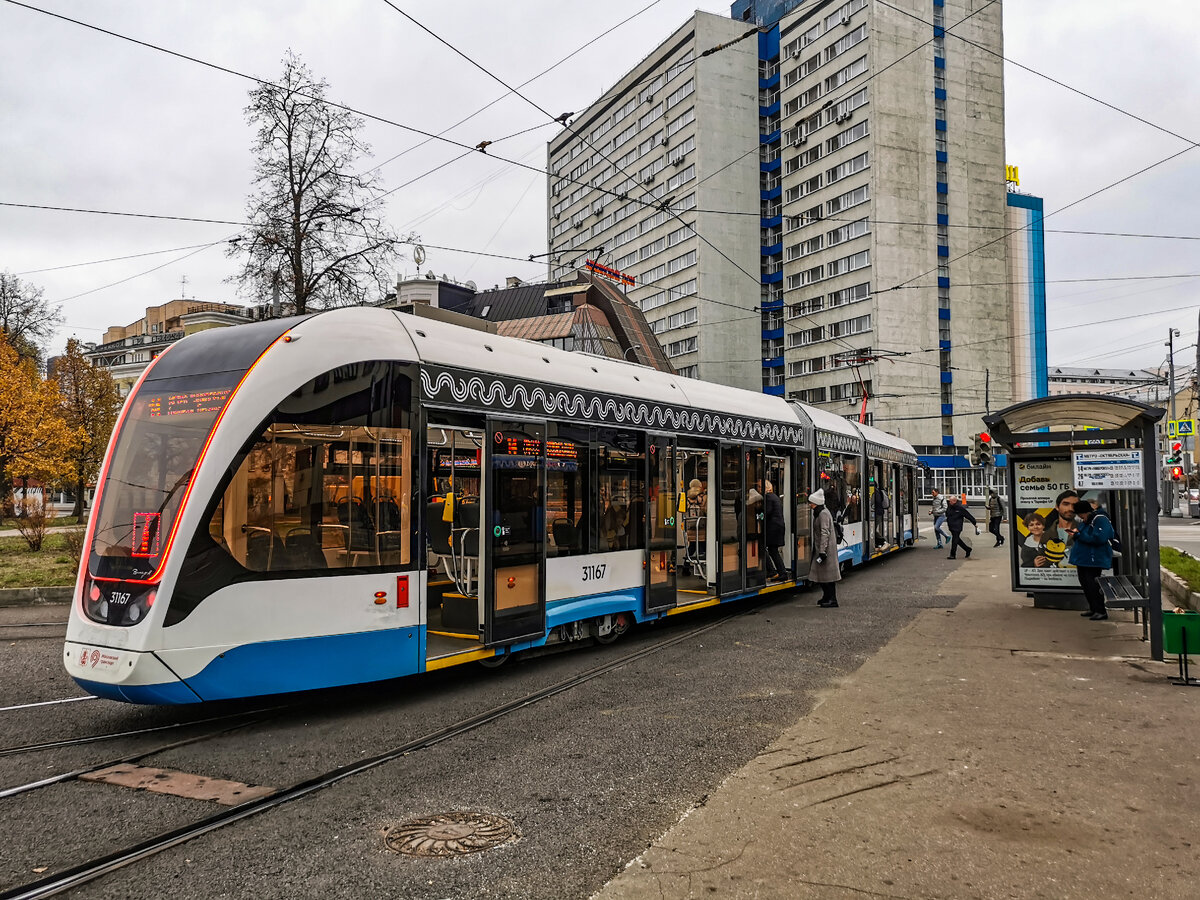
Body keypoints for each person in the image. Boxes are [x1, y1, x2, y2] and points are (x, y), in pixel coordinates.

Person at [1067, 499, 1114, 620]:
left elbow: (1099, 538)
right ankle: (1093, 608)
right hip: (1083, 559)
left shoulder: (1100, 519)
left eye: (1079, 514)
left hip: (1093, 559)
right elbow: (1085, 535)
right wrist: (1076, 534)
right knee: (1085, 584)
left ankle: (1100, 610)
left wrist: (1078, 535)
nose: (1079, 517)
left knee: (1093, 585)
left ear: (1083, 512)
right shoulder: (1087, 521)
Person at [808, 488, 841, 607]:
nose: (810, 505)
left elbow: (824, 532)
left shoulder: (823, 514)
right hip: (822, 549)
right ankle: (827, 597)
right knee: (823, 575)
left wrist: (822, 551)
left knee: (828, 577)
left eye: (811, 502)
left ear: (816, 503)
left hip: (826, 550)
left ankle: (832, 599)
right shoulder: (821, 512)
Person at [763, 479, 787, 582]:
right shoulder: (774, 497)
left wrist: (759, 516)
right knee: (773, 551)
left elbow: (767, 512)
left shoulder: (768, 497)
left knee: (768, 550)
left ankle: (776, 572)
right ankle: (779, 572)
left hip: (773, 528)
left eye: (760, 487)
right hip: (777, 528)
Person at [944, 495, 978, 560]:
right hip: (951, 525)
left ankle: (952, 554)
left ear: (954, 501)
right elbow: (947, 514)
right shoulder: (949, 507)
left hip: (957, 526)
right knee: (957, 540)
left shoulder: (960, 508)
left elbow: (968, 515)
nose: (949, 502)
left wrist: (974, 523)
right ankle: (967, 549)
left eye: (950, 501)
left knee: (954, 540)